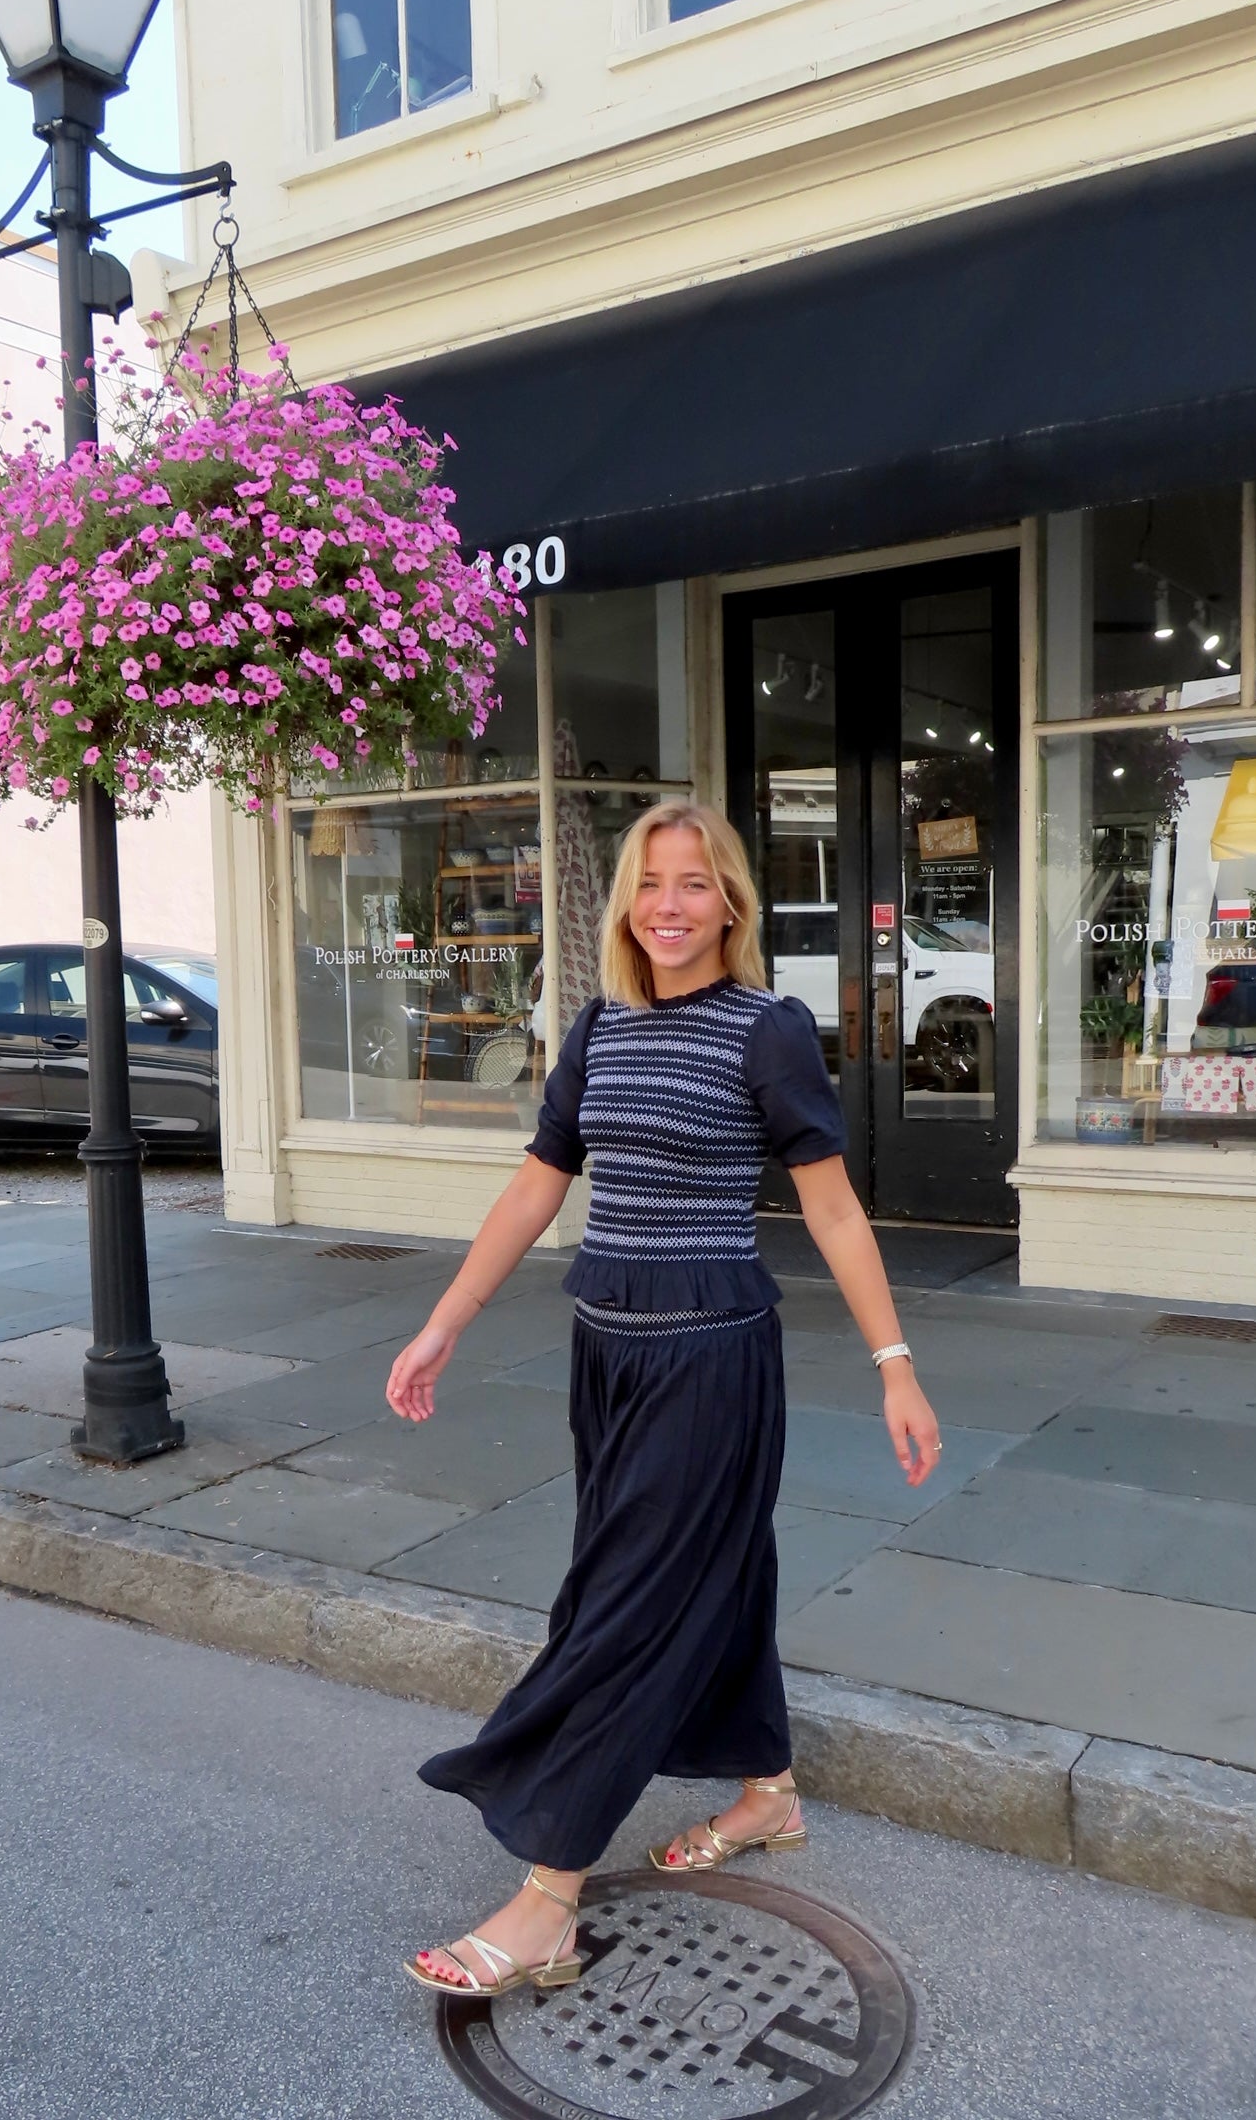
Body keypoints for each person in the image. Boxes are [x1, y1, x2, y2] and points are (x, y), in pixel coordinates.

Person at [388, 800, 943, 1999]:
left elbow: (835, 1209)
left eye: (697, 884)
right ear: (627, 901)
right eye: (652, 883)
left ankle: (548, 1902)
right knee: (709, 1577)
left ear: (732, 903)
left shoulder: (768, 1031)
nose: (672, 905)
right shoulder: (598, 1027)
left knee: (624, 1610)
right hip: (610, 1355)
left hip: (709, 1361)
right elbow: (538, 1189)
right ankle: (769, 1794)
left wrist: (895, 1366)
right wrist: (442, 1325)